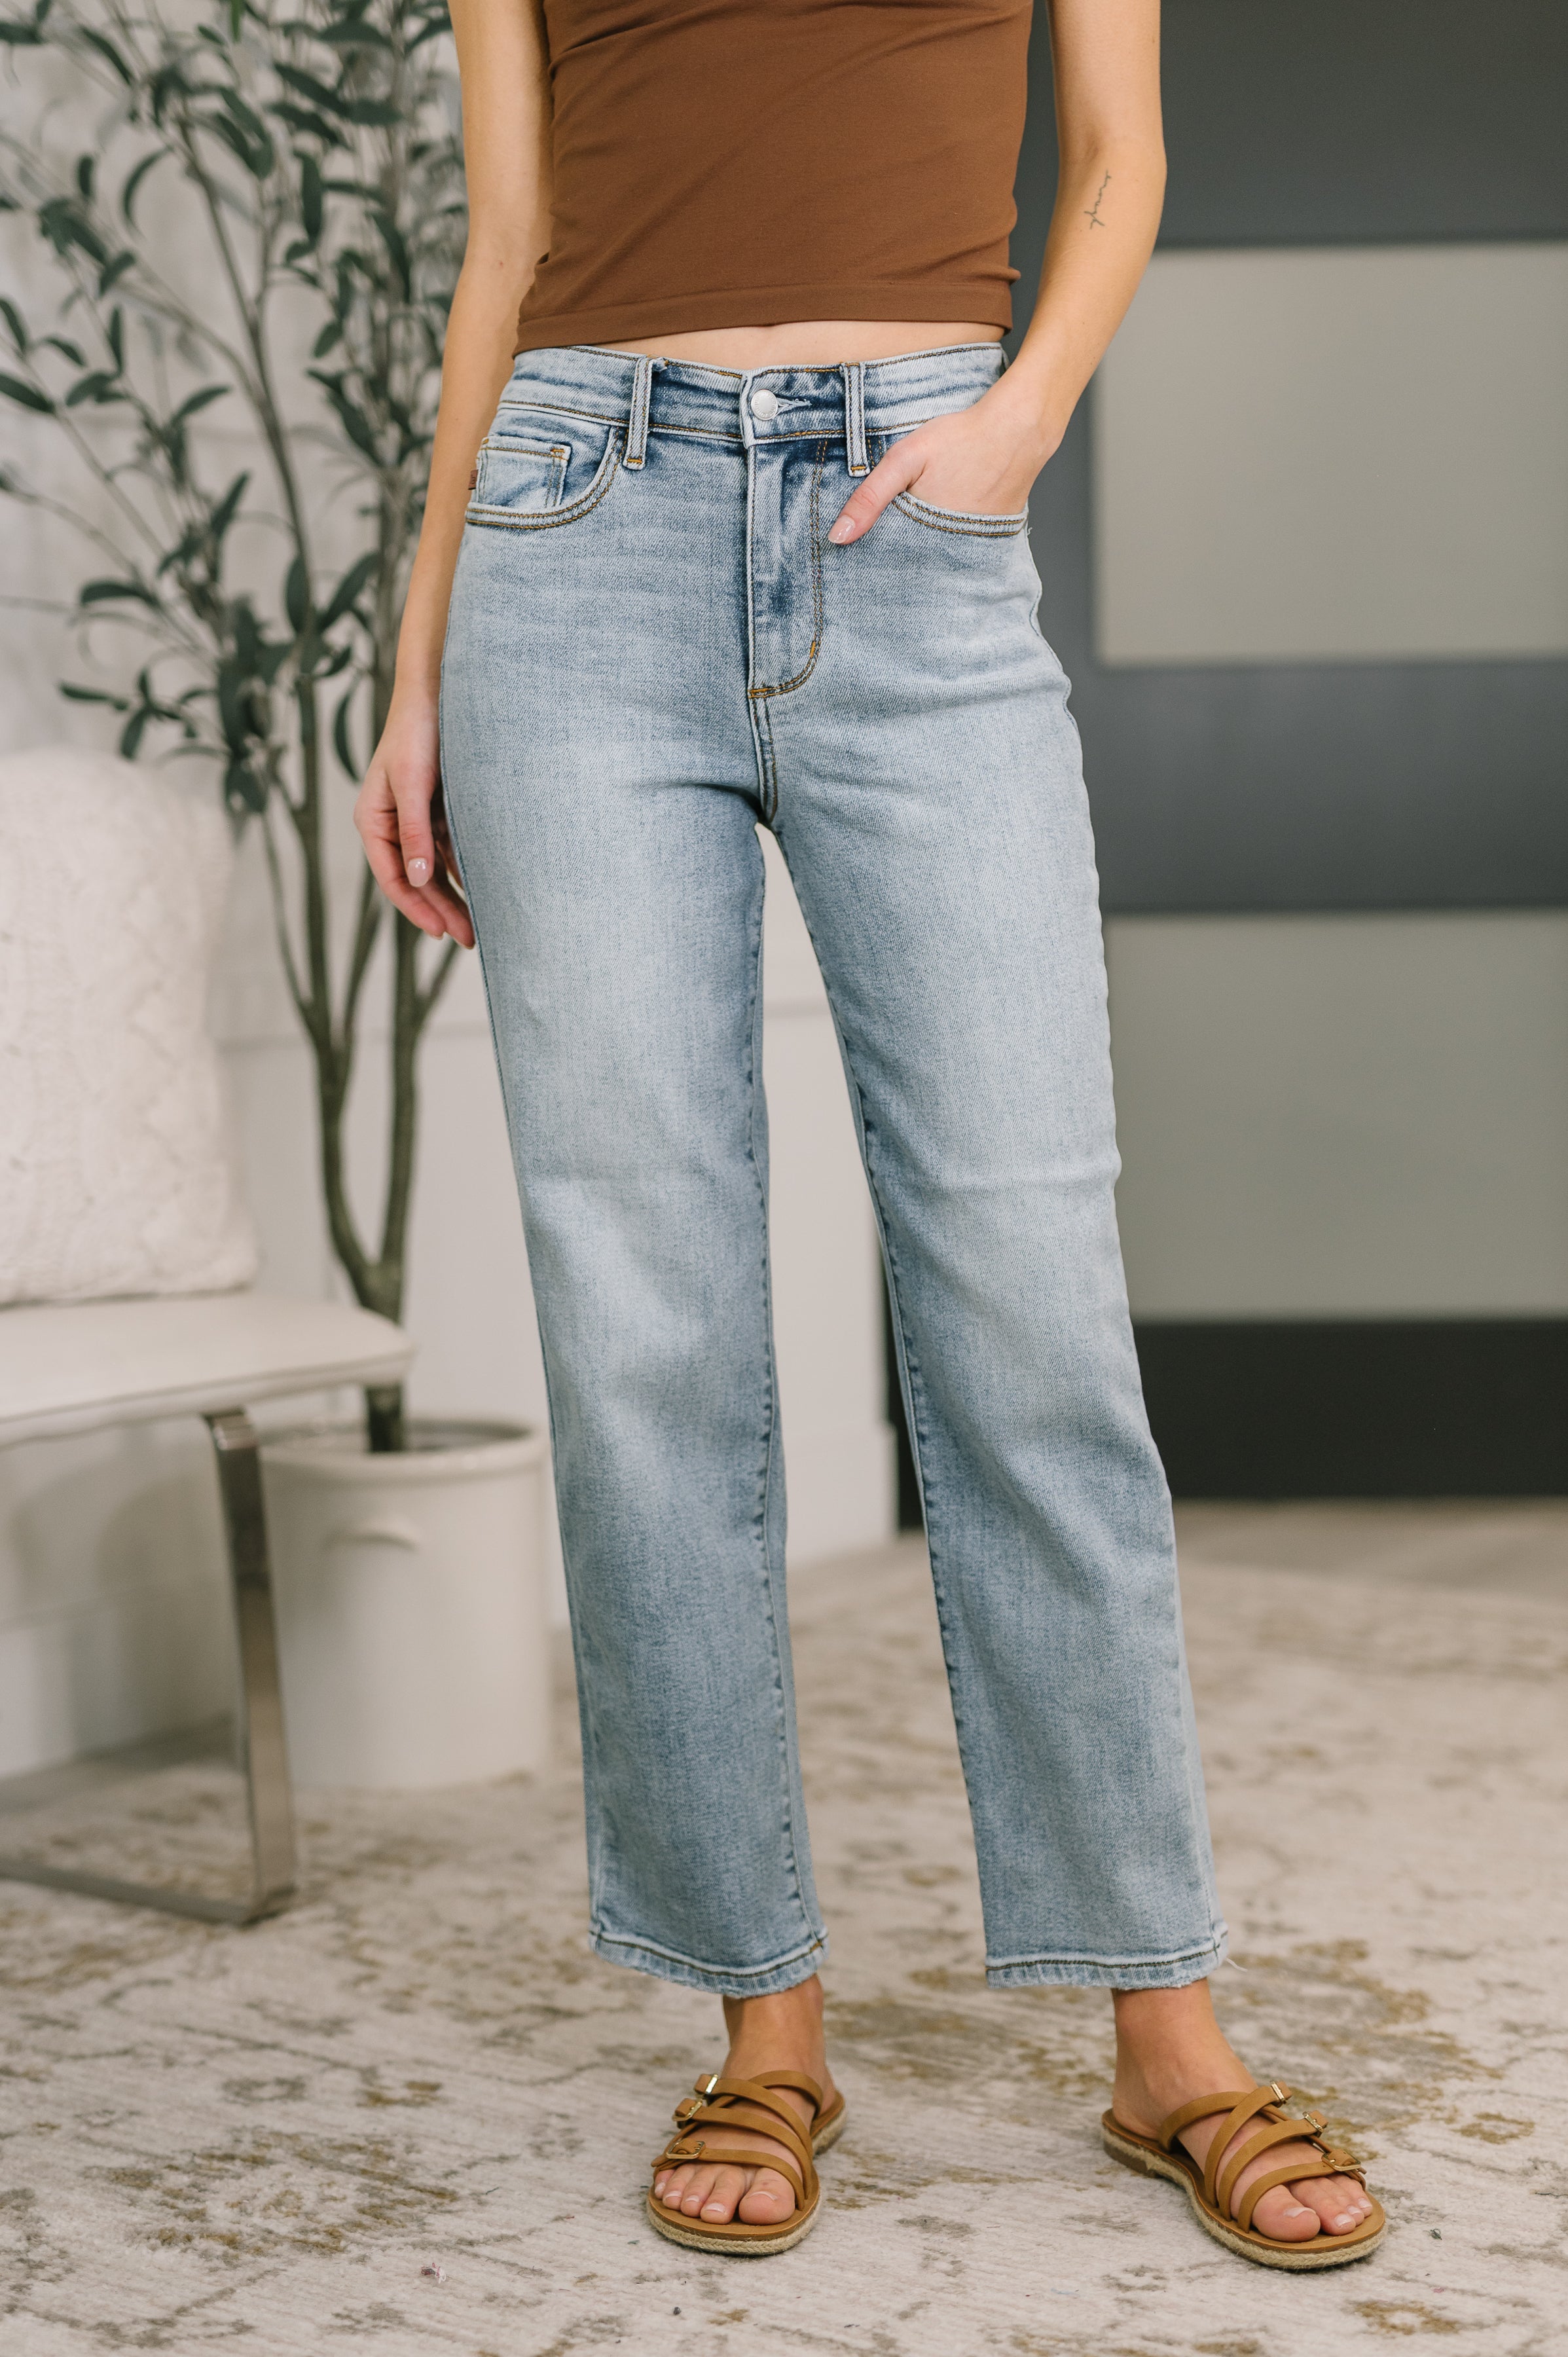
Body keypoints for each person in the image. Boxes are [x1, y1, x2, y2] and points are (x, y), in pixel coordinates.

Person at [354, 0, 1383, 2271]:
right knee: (645, 1321)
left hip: (915, 502)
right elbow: (506, 237)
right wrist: (420, 670)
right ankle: (764, 2020)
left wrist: (1016, 422)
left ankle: (1163, 2030)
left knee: (1025, 1298)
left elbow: (1115, 158)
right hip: (573, 528)